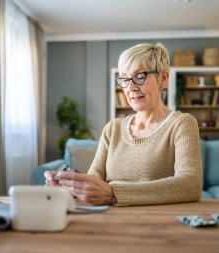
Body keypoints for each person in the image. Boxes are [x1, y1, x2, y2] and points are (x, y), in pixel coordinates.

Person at [45, 43, 202, 207]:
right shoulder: (112, 129)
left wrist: (114, 193)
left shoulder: (182, 124)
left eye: (140, 76)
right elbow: (94, 181)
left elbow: (190, 185)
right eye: (125, 78)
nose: (131, 87)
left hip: (158, 224)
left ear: (163, 78)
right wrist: (68, 186)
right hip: (109, 221)